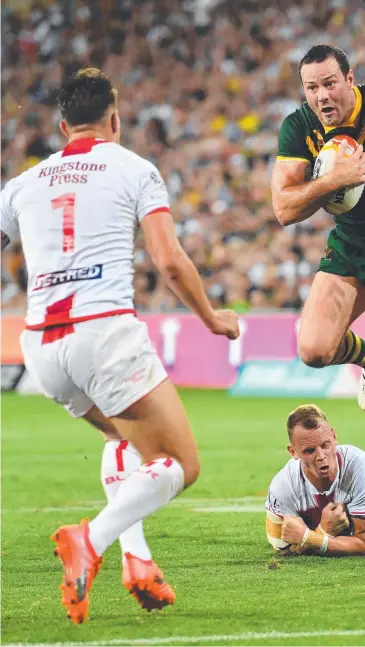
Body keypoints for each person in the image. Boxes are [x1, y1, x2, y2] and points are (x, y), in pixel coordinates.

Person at [0, 68, 239, 624]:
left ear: (63, 126)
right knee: (180, 462)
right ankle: (92, 539)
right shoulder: (135, 168)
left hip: (41, 347)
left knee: (120, 435)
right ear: (115, 117)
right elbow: (170, 261)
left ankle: (139, 561)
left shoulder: (24, 185)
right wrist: (210, 318)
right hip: (103, 332)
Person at [271, 45, 365, 410]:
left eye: (330, 84)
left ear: (350, 79)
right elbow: (283, 209)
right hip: (352, 241)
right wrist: (333, 180)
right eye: (312, 88)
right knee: (313, 349)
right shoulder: (299, 127)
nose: (322, 95)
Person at [266, 404, 365, 556]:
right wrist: (324, 531)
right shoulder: (283, 487)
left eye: (326, 445)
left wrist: (311, 537)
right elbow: (285, 551)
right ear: (293, 451)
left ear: (334, 436)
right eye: (309, 451)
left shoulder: (359, 466)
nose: (321, 456)